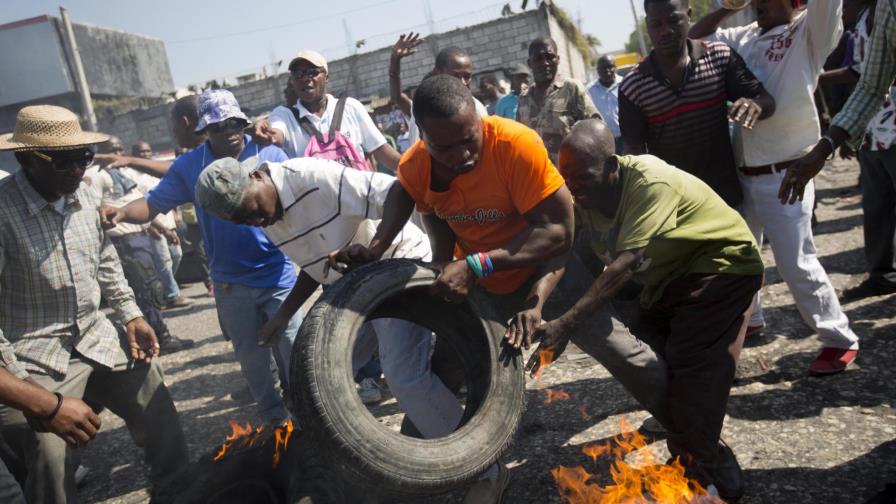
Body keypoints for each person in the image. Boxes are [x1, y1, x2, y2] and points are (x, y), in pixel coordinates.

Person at [328, 75, 675, 504]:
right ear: (424, 137)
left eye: (469, 140)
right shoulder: (419, 162)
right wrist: (379, 246)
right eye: (446, 148)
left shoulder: (515, 145)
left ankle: (689, 428)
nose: (463, 155)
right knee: (446, 373)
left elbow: (559, 235)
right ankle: (424, 462)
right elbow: (409, 192)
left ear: (478, 118)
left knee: (623, 353)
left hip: (545, 271)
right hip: (483, 286)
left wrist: (478, 264)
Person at [533, 119, 762, 500]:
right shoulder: (582, 200)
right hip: (665, 281)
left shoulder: (649, 182)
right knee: (653, 354)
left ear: (612, 166)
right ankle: (689, 428)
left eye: (583, 177)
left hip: (720, 266)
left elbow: (624, 264)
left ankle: (710, 463)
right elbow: (568, 255)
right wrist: (551, 316)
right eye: (566, 177)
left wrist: (568, 322)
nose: (574, 187)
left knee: (695, 367)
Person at [0, 105, 189, 503]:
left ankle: (177, 492)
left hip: (93, 334)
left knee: (156, 402)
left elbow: (106, 262)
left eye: (83, 158)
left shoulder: (84, 195)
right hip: (31, 354)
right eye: (64, 161)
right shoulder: (2, 213)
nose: (77, 170)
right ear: (26, 158)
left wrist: (132, 315)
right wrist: (32, 391)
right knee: (48, 449)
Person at [107, 89, 301, 426]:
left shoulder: (269, 152)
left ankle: (309, 414)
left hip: (278, 275)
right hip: (231, 285)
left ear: (243, 122)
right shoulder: (189, 166)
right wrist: (121, 213)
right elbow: (153, 205)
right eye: (218, 126)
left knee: (294, 350)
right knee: (252, 360)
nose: (228, 131)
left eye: (234, 123)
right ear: (203, 131)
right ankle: (276, 424)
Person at [691, 0, 860, 374]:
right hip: (743, 172)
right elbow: (693, 39)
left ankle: (839, 338)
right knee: (741, 257)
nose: (760, 2)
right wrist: (725, 7)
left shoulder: (808, 31)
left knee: (795, 262)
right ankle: (752, 318)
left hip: (789, 171)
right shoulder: (744, 34)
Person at [620, 0, 775, 208]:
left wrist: (754, 106)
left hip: (726, 200)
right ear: (647, 25)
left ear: (689, 15)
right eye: (656, 24)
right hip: (676, 208)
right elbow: (634, 152)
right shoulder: (633, 86)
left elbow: (765, 100)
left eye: (673, 20)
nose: (665, 31)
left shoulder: (720, 57)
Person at [790, 0, 896, 298]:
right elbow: (873, 85)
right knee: (877, 206)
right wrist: (826, 146)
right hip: (878, 130)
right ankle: (882, 274)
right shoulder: (884, 12)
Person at [87, 137, 193, 353]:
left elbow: (141, 203)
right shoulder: (96, 176)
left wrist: (162, 228)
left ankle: (159, 333)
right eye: (113, 150)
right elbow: (96, 210)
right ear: (103, 152)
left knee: (152, 288)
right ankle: (159, 338)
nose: (118, 153)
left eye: (120, 148)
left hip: (140, 236)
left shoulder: (123, 174)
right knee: (143, 292)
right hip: (123, 241)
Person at [253, 50, 402, 172]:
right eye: (298, 74)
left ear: (326, 77)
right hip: (316, 207)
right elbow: (275, 133)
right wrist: (267, 134)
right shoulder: (285, 115)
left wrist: (416, 171)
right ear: (292, 81)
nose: (305, 78)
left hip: (360, 204)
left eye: (312, 72)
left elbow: (382, 151)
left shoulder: (351, 107)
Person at [386, 33, 490, 145]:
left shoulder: (475, 107)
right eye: (455, 76)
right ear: (437, 73)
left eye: (467, 76)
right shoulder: (422, 106)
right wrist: (395, 60)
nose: (462, 82)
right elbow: (397, 97)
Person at [517, 37, 603, 163]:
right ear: (530, 63)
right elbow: (519, 137)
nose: (545, 63)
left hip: (571, 175)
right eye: (538, 58)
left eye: (549, 57)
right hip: (539, 176)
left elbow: (597, 127)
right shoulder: (523, 99)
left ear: (557, 59)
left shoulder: (572, 89)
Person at [587, 55, 623, 153]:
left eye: (610, 67)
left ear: (615, 67)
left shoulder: (624, 84)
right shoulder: (590, 90)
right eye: (603, 68)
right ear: (597, 70)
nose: (607, 71)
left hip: (626, 139)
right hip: (604, 143)